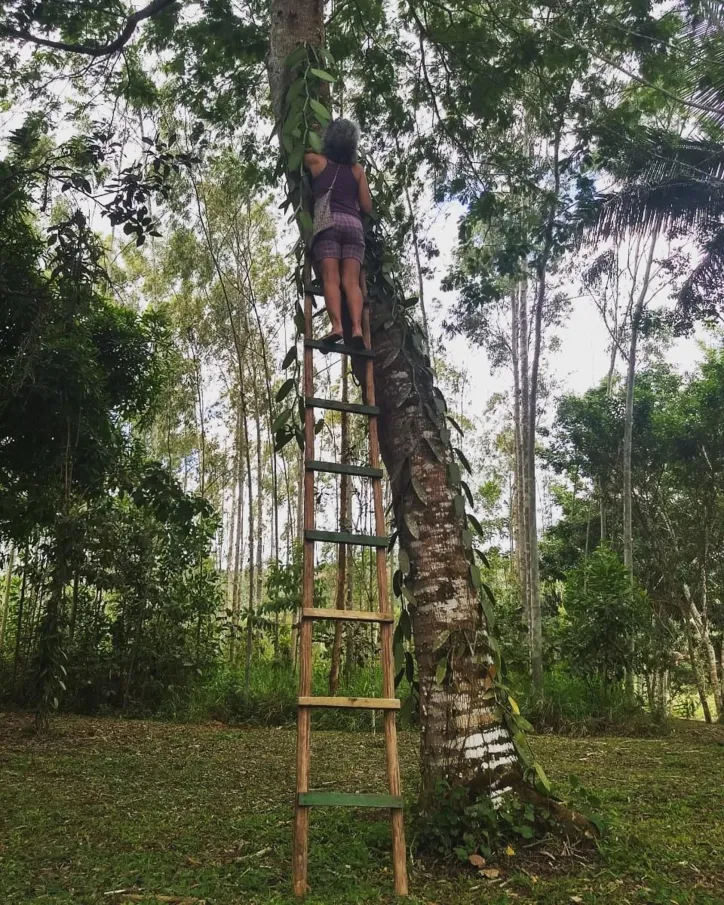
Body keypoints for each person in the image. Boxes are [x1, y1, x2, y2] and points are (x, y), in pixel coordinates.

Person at [304, 119, 373, 349]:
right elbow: (366, 206)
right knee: (352, 283)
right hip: (353, 226)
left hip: (328, 223)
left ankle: (337, 327)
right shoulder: (357, 171)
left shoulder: (317, 161)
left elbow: (301, 155)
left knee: (331, 278)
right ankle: (356, 328)